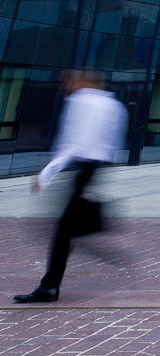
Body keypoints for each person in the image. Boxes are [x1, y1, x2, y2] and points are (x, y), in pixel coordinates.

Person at [14, 70, 128, 303]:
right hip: (95, 169)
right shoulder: (113, 104)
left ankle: (49, 287)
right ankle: (84, 232)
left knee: (62, 232)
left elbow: (73, 143)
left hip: (82, 168)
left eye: (68, 81)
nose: (66, 86)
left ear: (82, 81)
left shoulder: (81, 101)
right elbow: (114, 143)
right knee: (65, 230)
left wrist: (46, 173)